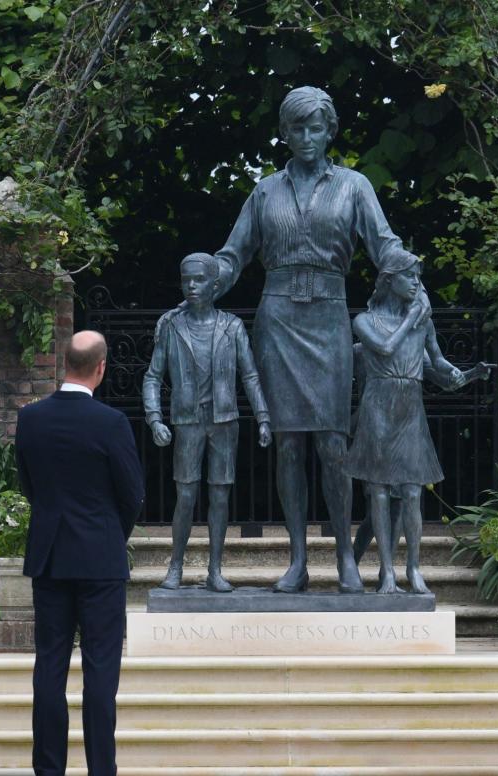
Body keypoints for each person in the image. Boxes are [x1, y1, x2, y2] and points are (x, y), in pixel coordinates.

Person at [208, 85, 422, 594]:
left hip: (328, 317)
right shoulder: (265, 191)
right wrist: (204, 279)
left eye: (316, 127)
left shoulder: (353, 186)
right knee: (287, 445)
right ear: (284, 132)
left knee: (331, 442)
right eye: (297, 128)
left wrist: (412, 280)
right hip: (278, 319)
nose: (307, 137)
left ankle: (346, 556)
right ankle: (298, 559)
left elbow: (384, 243)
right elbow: (233, 254)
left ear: (331, 131)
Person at [16, 330, 145, 776]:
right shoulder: (111, 423)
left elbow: (28, 485)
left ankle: (49, 770)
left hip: (51, 557)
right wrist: (111, 533)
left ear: (63, 364)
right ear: (101, 368)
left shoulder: (31, 420)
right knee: (101, 670)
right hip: (100, 561)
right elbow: (132, 494)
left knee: (49, 664)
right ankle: (100, 771)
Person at [344, 253, 491, 593]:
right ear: (389, 281)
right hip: (378, 406)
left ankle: (412, 568)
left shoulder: (422, 322)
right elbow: (382, 348)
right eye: (409, 276)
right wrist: (411, 318)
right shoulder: (365, 321)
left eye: (417, 277)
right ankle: (386, 572)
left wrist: (468, 374)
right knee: (379, 492)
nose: (415, 282)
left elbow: (440, 367)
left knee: (412, 492)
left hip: (409, 407)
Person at [142, 252, 272, 592]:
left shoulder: (231, 326)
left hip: (224, 421)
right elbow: (153, 377)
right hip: (187, 421)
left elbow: (251, 375)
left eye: (199, 280)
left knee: (219, 497)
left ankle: (215, 569)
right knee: (185, 496)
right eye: (187, 280)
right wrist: (154, 418)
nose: (192, 286)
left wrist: (263, 417)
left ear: (215, 286)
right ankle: (176, 566)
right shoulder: (171, 325)